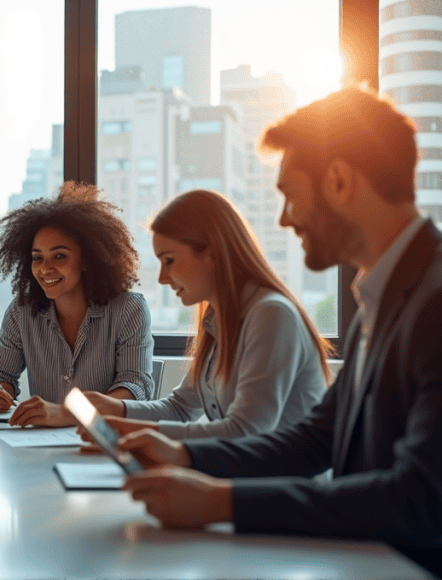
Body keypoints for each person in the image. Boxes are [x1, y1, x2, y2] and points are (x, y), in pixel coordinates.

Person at [115, 87, 442, 574]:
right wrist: (184, 455)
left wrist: (221, 503)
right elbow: (316, 440)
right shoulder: (377, 297)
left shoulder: (433, 300)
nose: (285, 219)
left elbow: (419, 498)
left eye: (290, 195)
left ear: (338, 180)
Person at [83, 190, 331, 440]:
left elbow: (246, 431)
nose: (162, 278)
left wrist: (140, 433)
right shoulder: (217, 321)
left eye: (168, 260)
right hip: (241, 473)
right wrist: (114, 407)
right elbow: (179, 409)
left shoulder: (271, 315)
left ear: (211, 253)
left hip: (280, 477)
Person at [0, 181, 155, 427]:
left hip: (104, 443)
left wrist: (66, 414)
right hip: (41, 446)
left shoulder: (129, 309)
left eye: (59, 256)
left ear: (86, 260)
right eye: (38, 258)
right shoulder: (21, 312)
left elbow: (135, 387)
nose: (45, 268)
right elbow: (0, 375)